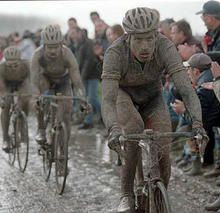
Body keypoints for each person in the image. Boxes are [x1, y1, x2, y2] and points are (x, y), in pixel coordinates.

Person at [101, 7, 207, 212]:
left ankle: (158, 197)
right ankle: (126, 193)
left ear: (156, 35)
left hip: (152, 96)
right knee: (133, 127)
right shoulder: (115, 52)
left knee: (162, 146)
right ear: (128, 37)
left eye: (149, 39)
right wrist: (113, 128)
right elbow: (107, 99)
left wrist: (198, 124)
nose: (145, 46)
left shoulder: (164, 46)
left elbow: (186, 89)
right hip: (124, 95)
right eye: (139, 40)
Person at [31, 25, 86, 145]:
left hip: (63, 80)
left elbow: (76, 79)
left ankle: (63, 144)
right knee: (41, 103)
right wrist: (36, 95)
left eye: (56, 47)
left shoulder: (67, 53)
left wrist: (81, 96)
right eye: (49, 47)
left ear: (61, 44)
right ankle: (41, 129)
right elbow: (34, 78)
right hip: (45, 79)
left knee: (66, 109)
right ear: (43, 45)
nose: (52, 50)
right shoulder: (37, 54)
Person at [0, 46, 30, 152]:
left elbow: (28, 85)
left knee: (25, 100)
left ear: (20, 60)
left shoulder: (26, 66)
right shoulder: (2, 68)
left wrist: (22, 100)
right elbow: (2, 87)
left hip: (21, 83)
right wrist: (3, 98)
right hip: (7, 85)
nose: (13, 67)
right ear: (5, 62)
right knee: (6, 105)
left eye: (15, 64)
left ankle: (22, 128)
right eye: (10, 65)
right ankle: (5, 138)